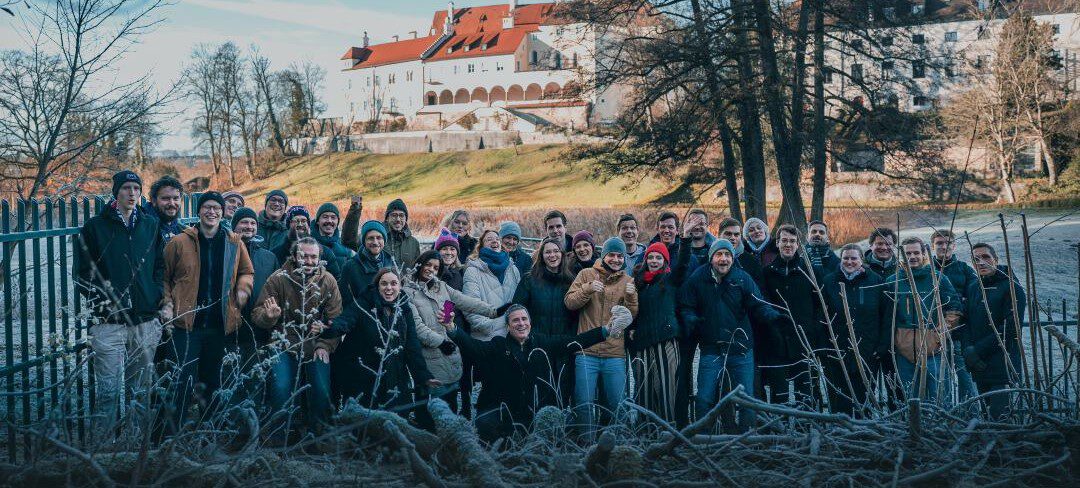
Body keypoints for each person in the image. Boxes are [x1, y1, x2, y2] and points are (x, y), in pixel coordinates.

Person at [75, 170, 165, 443]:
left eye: (136, 188)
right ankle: (102, 452)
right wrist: (105, 301)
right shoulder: (95, 227)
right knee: (108, 392)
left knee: (140, 392)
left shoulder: (150, 224)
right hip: (108, 324)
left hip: (144, 321)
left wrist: (154, 293)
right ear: (116, 192)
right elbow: (82, 273)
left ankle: (135, 449)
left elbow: (160, 266)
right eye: (126, 188)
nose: (132, 193)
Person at [446, 305, 620, 442]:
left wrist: (604, 331)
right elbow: (472, 346)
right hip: (502, 410)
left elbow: (574, 342)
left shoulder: (542, 342)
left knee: (550, 429)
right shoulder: (498, 345)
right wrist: (451, 327)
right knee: (484, 424)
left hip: (534, 410)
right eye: (515, 321)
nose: (521, 324)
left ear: (530, 322)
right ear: (508, 326)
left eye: (524, 319)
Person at [160, 191, 254, 427]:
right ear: (199, 211)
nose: (212, 212)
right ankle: (170, 439)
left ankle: (208, 437)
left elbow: (246, 271)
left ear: (222, 213)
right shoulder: (179, 242)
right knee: (180, 383)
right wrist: (168, 303)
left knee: (214, 385)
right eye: (207, 207)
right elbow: (163, 277)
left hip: (220, 326)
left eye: (216, 208)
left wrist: (243, 289)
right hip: (186, 326)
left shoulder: (234, 242)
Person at [679, 239, 780, 433]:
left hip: (741, 349)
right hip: (711, 348)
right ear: (711, 258)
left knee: (746, 398)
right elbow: (686, 304)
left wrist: (772, 316)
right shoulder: (698, 278)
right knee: (704, 398)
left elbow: (758, 304)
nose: (723, 259)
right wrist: (690, 318)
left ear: (732, 258)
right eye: (719, 255)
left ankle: (746, 440)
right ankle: (703, 438)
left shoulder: (742, 278)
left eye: (727, 255)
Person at [251, 238, 342, 439]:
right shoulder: (277, 279)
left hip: (315, 342)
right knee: (281, 387)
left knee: (321, 388)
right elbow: (257, 313)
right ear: (294, 257)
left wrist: (325, 343)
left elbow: (336, 319)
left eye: (313, 257)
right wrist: (269, 317)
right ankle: (278, 436)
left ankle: (318, 436)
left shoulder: (328, 281)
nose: (309, 261)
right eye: (304, 256)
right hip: (283, 342)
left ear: (319, 259)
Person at [404, 250, 497, 430]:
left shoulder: (442, 288)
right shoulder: (408, 291)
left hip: (450, 356)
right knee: (430, 410)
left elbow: (466, 301)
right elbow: (417, 327)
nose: (431, 269)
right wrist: (441, 342)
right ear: (420, 264)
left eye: (435, 267)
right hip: (428, 357)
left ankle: (449, 442)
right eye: (428, 265)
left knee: (451, 407)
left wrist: (493, 311)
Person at [322, 268, 438, 409]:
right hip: (363, 375)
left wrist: (423, 375)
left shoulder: (404, 308)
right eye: (384, 283)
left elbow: (412, 346)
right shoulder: (364, 302)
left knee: (395, 422)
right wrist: (331, 328)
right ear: (377, 286)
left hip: (394, 376)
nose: (389, 288)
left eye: (394, 283)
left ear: (400, 286)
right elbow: (347, 319)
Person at [564, 237, 639, 433]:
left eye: (619, 256)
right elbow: (569, 302)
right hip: (586, 351)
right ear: (603, 256)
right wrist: (587, 289)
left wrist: (631, 297)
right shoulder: (586, 274)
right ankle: (586, 443)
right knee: (584, 402)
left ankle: (618, 443)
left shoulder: (628, 281)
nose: (615, 259)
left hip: (614, 353)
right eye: (611, 255)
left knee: (617, 402)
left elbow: (631, 316)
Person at [821, 243, 892, 416]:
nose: (850, 261)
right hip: (837, 349)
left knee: (864, 397)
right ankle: (840, 434)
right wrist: (825, 346)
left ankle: (864, 434)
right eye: (846, 258)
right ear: (840, 260)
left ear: (862, 260)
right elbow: (822, 315)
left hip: (867, 350)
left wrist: (882, 346)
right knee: (840, 398)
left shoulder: (875, 281)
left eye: (854, 258)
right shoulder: (829, 281)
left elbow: (886, 317)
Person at [759, 224, 825, 407]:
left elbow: (820, 305)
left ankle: (809, 431)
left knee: (807, 393)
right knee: (779, 394)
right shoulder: (767, 273)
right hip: (776, 342)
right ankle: (780, 432)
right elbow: (763, 305)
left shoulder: (810, 272)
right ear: (777, 243)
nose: (788, 244)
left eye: (792, 241)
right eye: (784, 241)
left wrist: (813, 329)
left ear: (798, 245)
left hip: (805, 342)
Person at [890, 236, 962, 404]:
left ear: (924, 254)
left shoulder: (938, 278)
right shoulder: (893, 281)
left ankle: (941, 428)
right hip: (904, 351)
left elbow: (954, 309)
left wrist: (939, 335)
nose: (912, 257)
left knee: (939, 397)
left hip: (934, 350)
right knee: (911, 399)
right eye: (908, 254)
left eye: (916, 252)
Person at [627, 237, 690, 423]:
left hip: (666, 340)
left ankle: (668, 431)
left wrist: (685, 240)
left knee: (666, 388)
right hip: (642, 342)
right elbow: (631, 309)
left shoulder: (669, 280)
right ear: (645, 260)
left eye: (658, 258)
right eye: (651, 257)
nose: (654, 261)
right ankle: (645, 432)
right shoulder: (637, 283)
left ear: (665, 262)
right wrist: (631, 328)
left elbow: (684, 263)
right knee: (644, 390)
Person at [512, 236, 579, 406]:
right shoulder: (529, 280)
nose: (552, 255)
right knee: (538, 389)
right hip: (537, 343)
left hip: (563, 343)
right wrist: (527, 337)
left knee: (562, 389)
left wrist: (571, 338)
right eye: (547, 252)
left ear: (562, 255)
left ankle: (560, 428)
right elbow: (518, 308)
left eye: (556, 251)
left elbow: (577, 314)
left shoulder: (571, 281)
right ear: (541, 256)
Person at [962, 243, 1026, 420]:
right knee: (986, 414)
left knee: (1000, 416)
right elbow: (965, 321)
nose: (981, 262)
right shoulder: (974, 287)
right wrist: (968, 351)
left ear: (996, 260)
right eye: (976, 259)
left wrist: (978, 350)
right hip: (979, 364)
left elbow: (1011, 327)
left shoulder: (1012, 287)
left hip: (1002, 362)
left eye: (985, 257)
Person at [229, 207, 279, 403]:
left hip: (258, 330)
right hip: (230, 329)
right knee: (231, 380)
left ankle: (252, 428)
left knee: (255, 381)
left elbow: (275, 289)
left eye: (252, 223)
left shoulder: (268, 257)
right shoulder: (226, 250)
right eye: (244, 222)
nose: (248, 226)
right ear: (235, 226)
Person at [930, 229, 980, 403]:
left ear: (954, 245)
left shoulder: (964, 269)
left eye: (948, 243)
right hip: (934, 334)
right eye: (939, 243)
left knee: (964, 377)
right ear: (932, 246)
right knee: (940, 378)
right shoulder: (927, 269)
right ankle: (945, 414)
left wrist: (961, 305)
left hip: (960, 333)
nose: (944, 246)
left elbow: (975, 296)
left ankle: (969, 414)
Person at [272, 205, 341, 279]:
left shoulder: (326, 252)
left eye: (304, 221)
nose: (300, 224)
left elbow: (336, 280)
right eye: (296, 221)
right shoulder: (276, 253)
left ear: (308, 225)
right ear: (288, 225)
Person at [339, 220, 396, 307]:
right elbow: (345, 301)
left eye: (379, 238)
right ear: (364, 241)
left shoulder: (391, 263)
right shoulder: (350, 267)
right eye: (370, 238)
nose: (375, 242)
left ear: (384, 240)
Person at [312, 202, 356, 274]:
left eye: (333, 217)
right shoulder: (308, 243)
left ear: (337, 222)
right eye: (325, 217)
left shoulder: (344, 246)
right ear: (317, 221)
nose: (329, 221)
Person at [716, 217, 763, 284]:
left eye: (736, 234)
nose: (733, 238)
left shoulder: (752, 262)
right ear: (719, 235)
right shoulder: (709, 258)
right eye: (728, 234)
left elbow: (759, 290)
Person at [383, 198, 421, 271]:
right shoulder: (378, 238)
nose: (398, 219)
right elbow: (354, 243)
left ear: (405, 218)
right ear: (387, 218)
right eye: (394, 215)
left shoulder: (414, 243)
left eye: (401, 215)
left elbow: (417, 269)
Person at [145, 176, 185, 243]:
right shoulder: (143, 229)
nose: (172, 203)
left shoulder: (182, 231)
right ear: (154, 201)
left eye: (176, 198)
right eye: (166, 198)